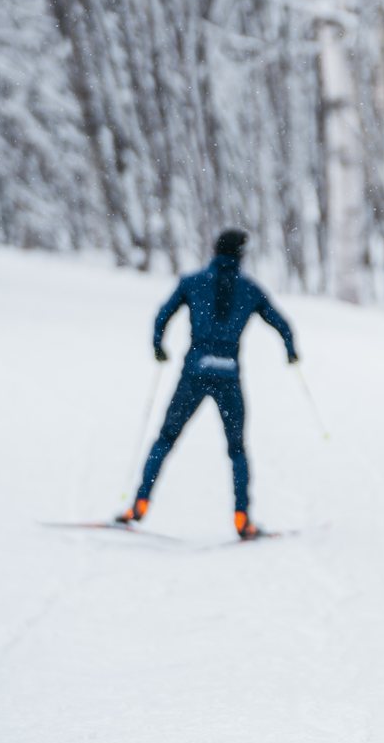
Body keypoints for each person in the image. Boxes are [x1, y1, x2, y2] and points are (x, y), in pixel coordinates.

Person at [117, 228, 298, 540]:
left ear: (215, 250)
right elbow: (280, 323)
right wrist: (290, 351)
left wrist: (159, 346)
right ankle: (243, 519)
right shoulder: (250, 290)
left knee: (166, 439)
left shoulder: (192, 282)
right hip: (228, 375)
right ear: (241, 254)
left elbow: (163, 315)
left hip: (194, 373)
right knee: (237, 449)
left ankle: (138, 506)